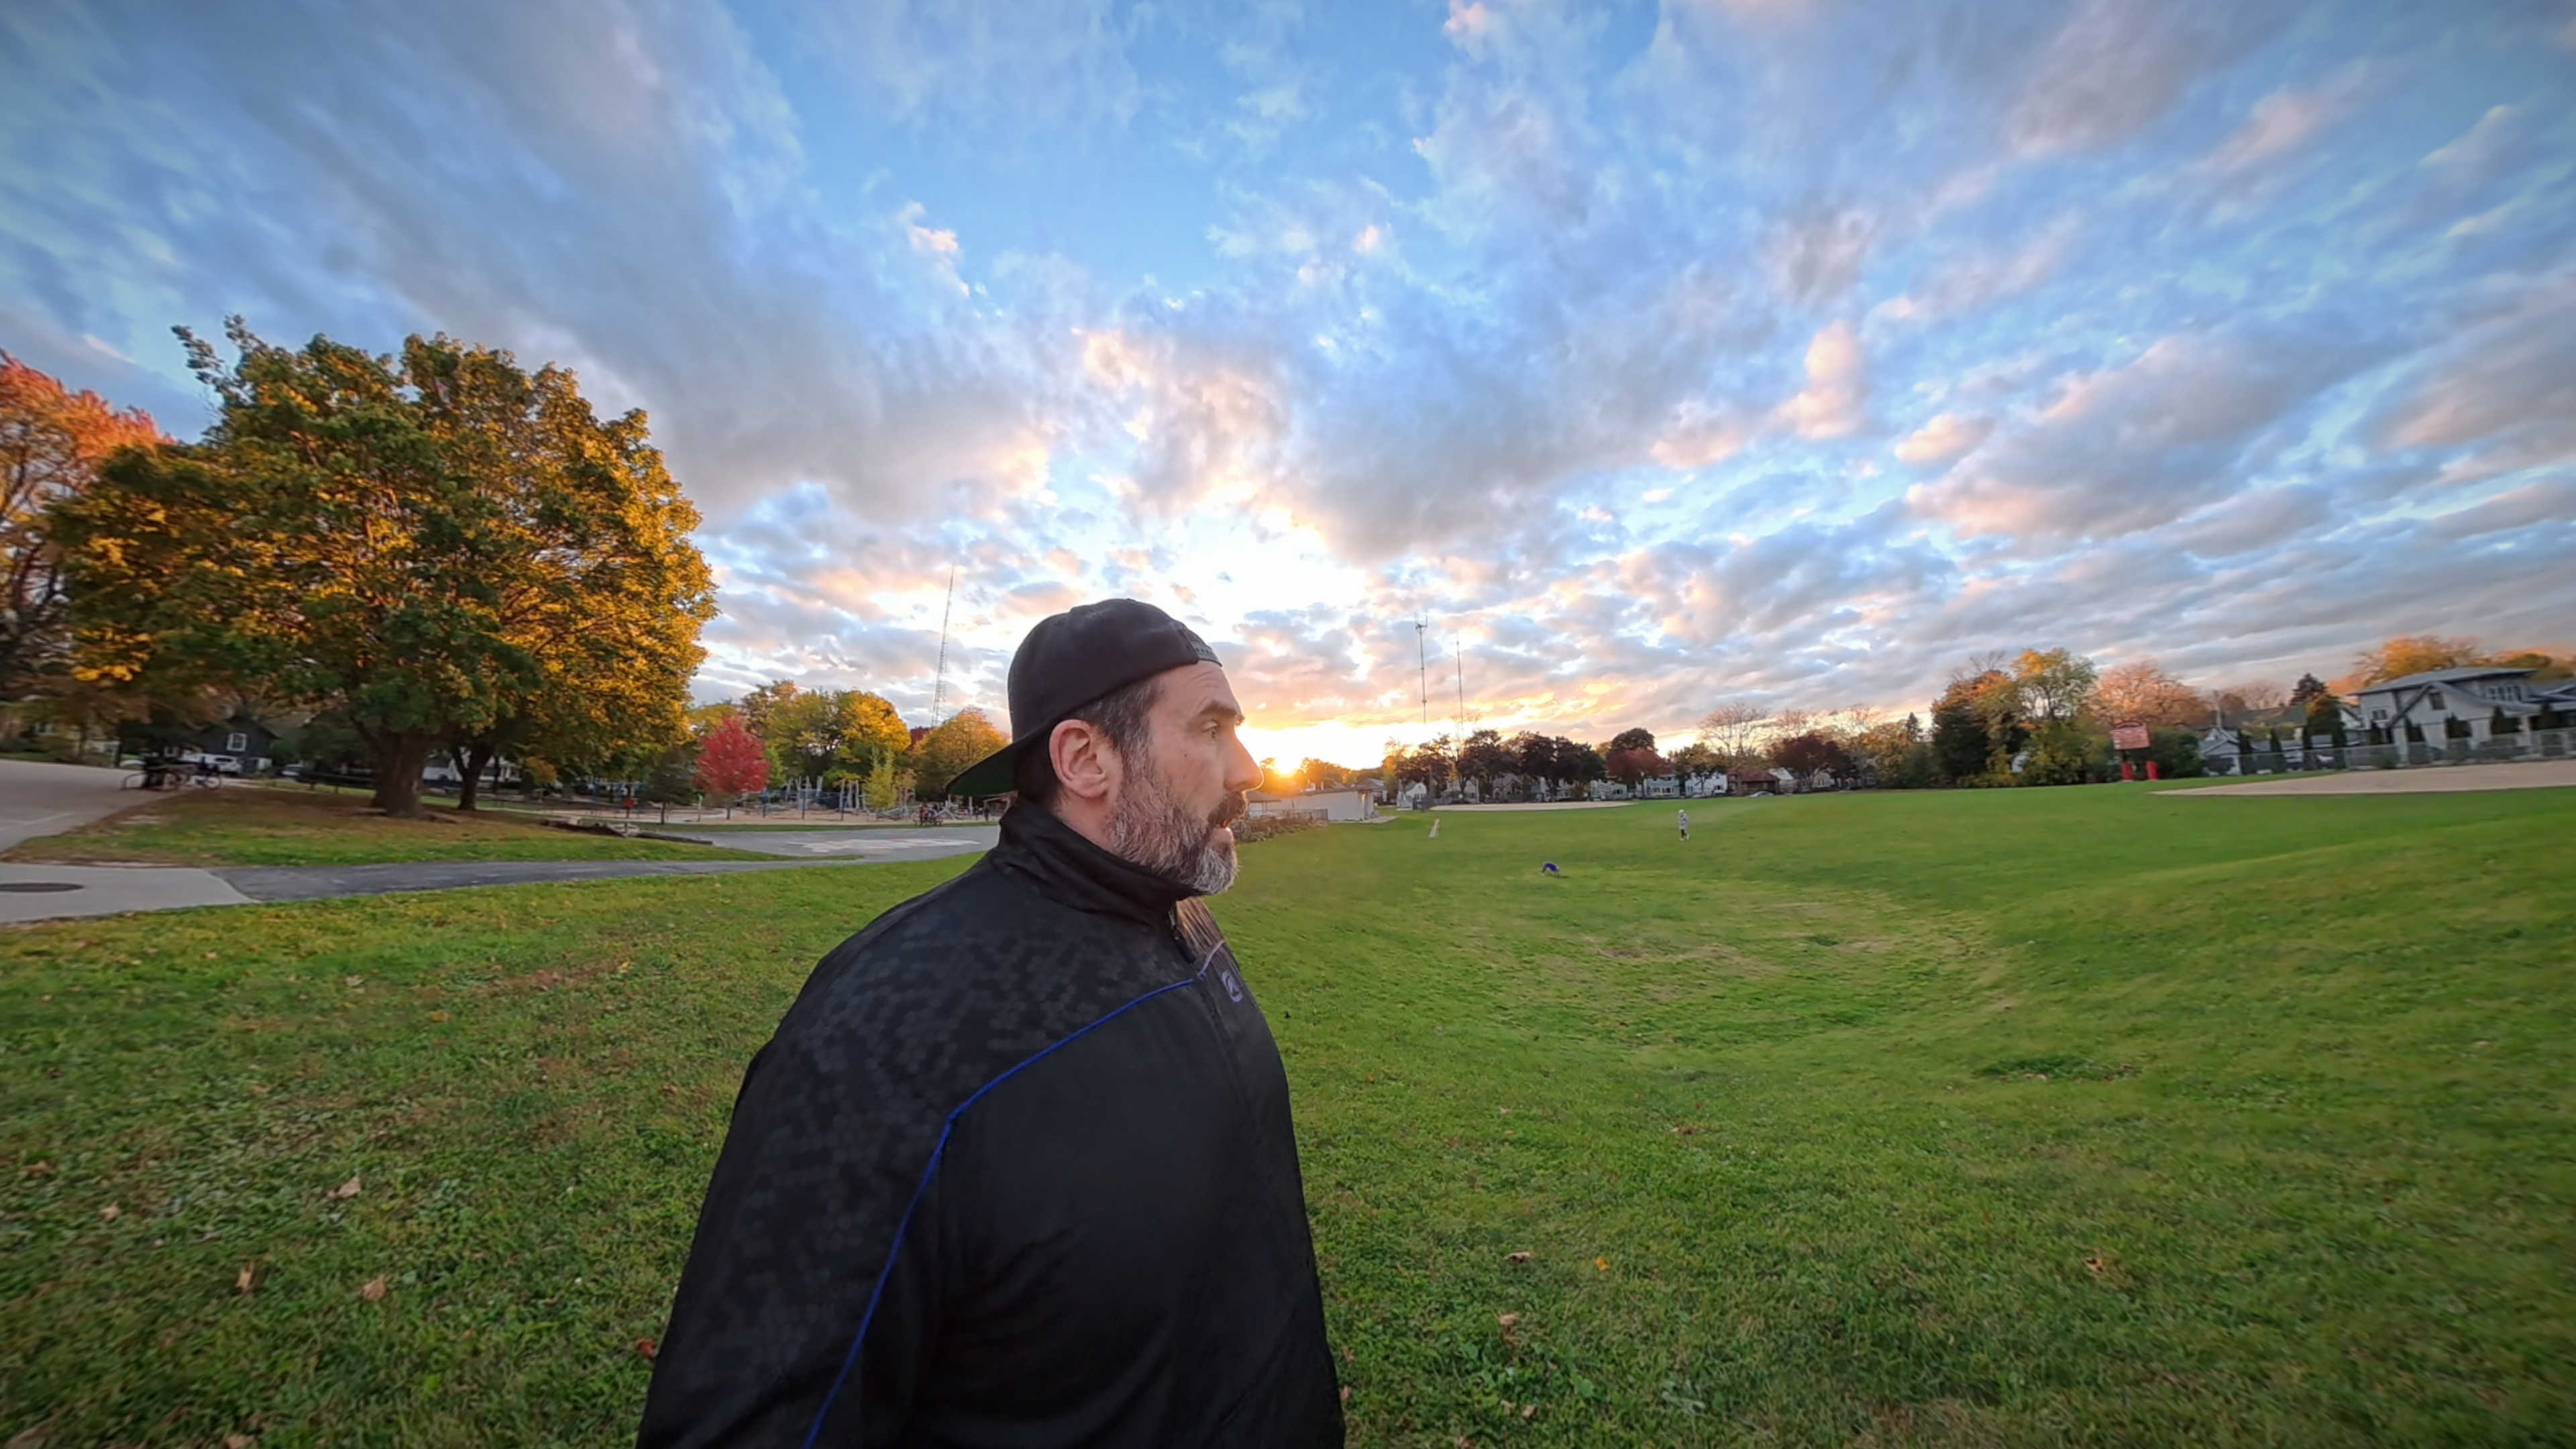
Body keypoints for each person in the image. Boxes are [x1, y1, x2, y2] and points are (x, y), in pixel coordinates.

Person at [639, 598, 1344, 1448]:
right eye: (1211, 728)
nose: (1248, 768)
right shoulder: (890, 1034)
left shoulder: (1176, 917)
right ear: (1087, 758)